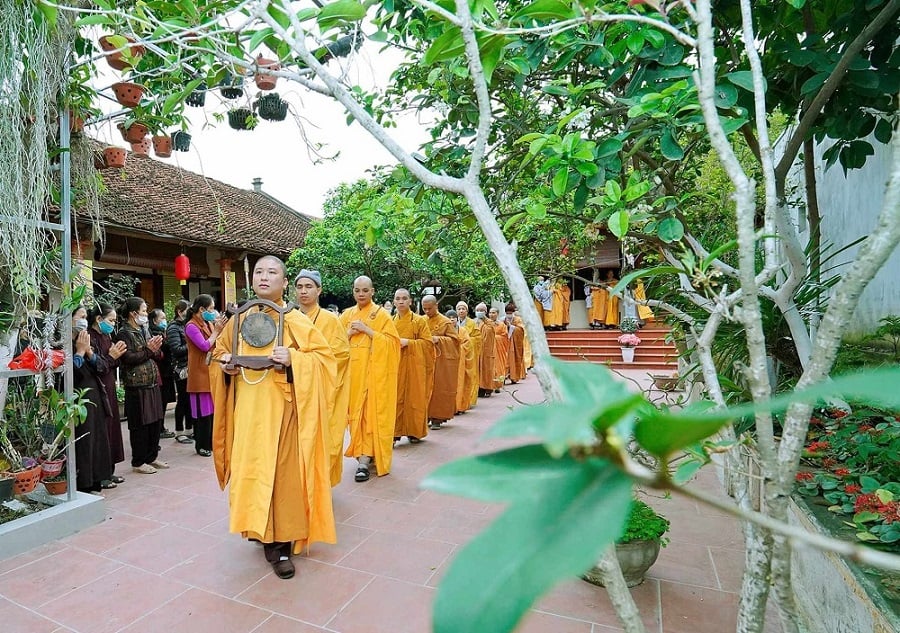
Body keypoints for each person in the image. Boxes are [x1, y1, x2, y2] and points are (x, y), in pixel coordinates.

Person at [210, 255, 337, 580]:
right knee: (251, 471)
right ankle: (259, 528)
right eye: (259, 272)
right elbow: (217, 355)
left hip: (284, 415)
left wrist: (293, 358)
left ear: (284, 282)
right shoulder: (239, 319)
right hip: (247, 414)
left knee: (282, 478)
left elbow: (325, 362)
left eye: (272, 273)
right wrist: (225, 367)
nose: (264, 277)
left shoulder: (295, 320)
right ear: (251, 280)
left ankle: (279, 544)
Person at [339, 275, 400, 482]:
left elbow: (393, 345)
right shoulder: (346, 315)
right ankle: (364, 454)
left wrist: (368, 331)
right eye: (357, 290)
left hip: (375, 379)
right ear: (353, 292)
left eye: (365, 290)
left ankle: (364, 461)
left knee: (371, 416)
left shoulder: (382, 315)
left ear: (372, 291)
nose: (361, 294)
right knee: (355, 418)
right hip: (352, 380)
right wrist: (348, 333)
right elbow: (334, 345)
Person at [295, 269, 350, 486]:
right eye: (299, 287)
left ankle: (318, 485)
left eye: (308, 287)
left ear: (319, 290)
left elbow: (341, 354)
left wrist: (306, 360)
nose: (303, 291)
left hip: (322, 390)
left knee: (324, 440)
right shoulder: (289, 317)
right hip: (295, 390)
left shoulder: (330, 320)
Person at [115, 296, 168, 474]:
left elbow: (156, 353)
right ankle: (139, 461)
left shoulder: (145, 329)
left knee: (154, 422)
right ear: (133, 313)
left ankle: (151, 457)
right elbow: (128, 358)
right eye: (144, 310)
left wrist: (157, 349)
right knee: (140, 425)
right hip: (136, 385)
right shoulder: (124, 333)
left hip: (152, 382)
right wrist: (148, 350)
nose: (146, 314)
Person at [71, 306, 115, 492]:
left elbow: (103, 366)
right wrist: (80, 353)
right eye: (80, 317)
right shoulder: (62, 344)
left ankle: (98, 479)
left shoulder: (85, 340)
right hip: (78, 402)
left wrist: (89, 353)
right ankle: (85, 484)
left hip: (94, 397)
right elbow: (69, 375)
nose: (84, 322)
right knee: (84, 443)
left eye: (85, 318)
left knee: (98, 440)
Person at [88, 303, 129, 487]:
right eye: (110, 320)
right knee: (102, 431)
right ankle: (100, 475)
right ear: (98, 319)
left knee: (112, 428)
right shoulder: (90, 337)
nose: (113, 324)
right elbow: (99, 365)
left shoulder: (107, 335)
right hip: (98, 388)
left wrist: (114, 356)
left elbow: (114, 362)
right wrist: (112, 356)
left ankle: (109, 470)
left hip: (110, 385)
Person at [184, 294, 227, 457]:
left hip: (210, 370)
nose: (212, 312)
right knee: (202, 413)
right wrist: (216, 331)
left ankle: (211, 442)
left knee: (212, 412)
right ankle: (201, 445)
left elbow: (217, 343)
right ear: (201, 309)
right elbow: (204, 345)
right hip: (199, 374)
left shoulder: (207, 322)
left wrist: (219, 329)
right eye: (210, 309)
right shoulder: (191, 326)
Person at [392, 288, 433, 444]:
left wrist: (409, 343)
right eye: (398, 298)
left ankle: (414, 431)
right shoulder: (390, 321)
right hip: (396, 365)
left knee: (415, 398)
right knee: (396, 399)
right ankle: (395, 431)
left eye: (404, 298)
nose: (401, 301)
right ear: (394, 301)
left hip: (415, 366)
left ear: (410, 301)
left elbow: (428, 343)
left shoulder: (419, 321)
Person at [423, 295, 459, 429]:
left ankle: (437, 418)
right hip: (424, 361)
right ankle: (424, 416)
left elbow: (455, 341)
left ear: (436, 306)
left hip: (440, 363)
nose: (427, 311)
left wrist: (439, 340)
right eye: (424, 309)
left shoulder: (445, 322)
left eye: (429, 308)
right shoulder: (421, 321)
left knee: (439, 389)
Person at [166, 299, 192, 443]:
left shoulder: (186, 325)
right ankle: (179, 431)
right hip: (181, 368)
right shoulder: (174, 328)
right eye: (187, 311)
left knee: (189, 399)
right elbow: (176, 349)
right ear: (179, 312)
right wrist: (193, 344)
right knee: (182, 400)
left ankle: (189, 428)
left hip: (190, 367)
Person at [149, 308, 177, 439]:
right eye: (162, 318)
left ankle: (161, 427)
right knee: (160, 401)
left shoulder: (162, 332)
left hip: (166, 371)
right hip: (160, 371)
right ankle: (159, 428)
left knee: (164, 401)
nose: (165, 321)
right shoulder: (154, 334)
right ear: (154, 320)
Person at [455, 301, 481, 408]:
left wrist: (468, 341)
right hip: (457, 354)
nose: (461, 311)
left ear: (467, 311)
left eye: (463, 309)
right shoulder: (452, 322)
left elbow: (478, 338)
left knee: (470, 375)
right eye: (459, 309)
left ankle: (469, 399)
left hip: (470, 354)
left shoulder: (472, 323)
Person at [474, 303, 496, 398]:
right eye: (478, 310)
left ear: (485, 312)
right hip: (476, 351)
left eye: (481, 311)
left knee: (486, 370)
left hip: (486, 351)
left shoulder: (489, 323)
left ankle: (487, 388)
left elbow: (489, 335)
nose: (479, 312)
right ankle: (478, 388)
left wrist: (483, 324)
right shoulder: (473, 322)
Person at [504, 304, 526, 384]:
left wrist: (511, 327)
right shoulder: (503, 319)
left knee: (514, 359)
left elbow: (521, 330)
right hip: (506, 344)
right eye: (507, 313)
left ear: (513, 312)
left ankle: (514, 377)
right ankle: (504, 376)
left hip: (515, 344)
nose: (509, 314)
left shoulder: (517, 319)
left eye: (510, 312)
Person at [489, 306, 508, 392]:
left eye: (494, 313)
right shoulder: (486, 324)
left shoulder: (501, 325)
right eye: (490, 313)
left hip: (499, 350)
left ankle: (498, 385)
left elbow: (505, 337)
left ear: (497, 314)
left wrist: (494, 337)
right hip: (488, 349)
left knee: (499, 366)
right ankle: (490, 385)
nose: (491, 314)